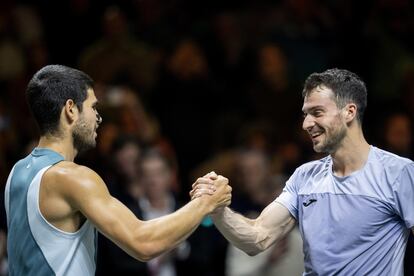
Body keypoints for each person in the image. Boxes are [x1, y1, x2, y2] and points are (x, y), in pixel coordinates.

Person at [4, 64, 231, 275]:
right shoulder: (72, 177)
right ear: (71, 110)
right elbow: (143, 243)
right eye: (93, 107)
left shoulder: (17, 172)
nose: (98, 119)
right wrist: (206, 202)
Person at [191, 68, 414, 275]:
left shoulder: (399, 173)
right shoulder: (304, 176)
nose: (306, 124)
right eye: (305, 114)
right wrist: (217, 208)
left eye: (317, 112)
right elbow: (257, 237)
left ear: (349, 111)